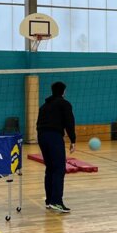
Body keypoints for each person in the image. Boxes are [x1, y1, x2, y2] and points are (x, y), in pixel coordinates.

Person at [36, 81, 76, 214]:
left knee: (50, 168)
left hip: (42, 136)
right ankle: (56, 201)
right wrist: (73, 140)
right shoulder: (64, 104)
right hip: (54, 137)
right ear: (63, 92)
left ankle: (49, 201)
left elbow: (38, 124)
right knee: (59, 169)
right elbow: (69, 123)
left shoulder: (44, 106)